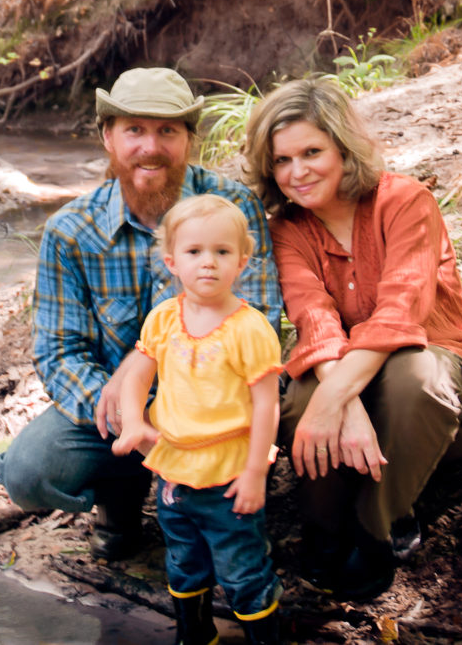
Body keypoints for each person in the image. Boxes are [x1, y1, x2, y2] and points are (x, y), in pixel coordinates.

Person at [241, 77, 462, 602]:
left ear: (344, 147)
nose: (297, 172)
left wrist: (336, 399)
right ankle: (322, 528)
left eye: (312, 152)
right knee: (300, 396)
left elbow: (399, 312)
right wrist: (337, 401)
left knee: (413, 375)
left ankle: (377, 529)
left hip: (447, 388)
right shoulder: (286, 230)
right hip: (356, 381)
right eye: (281, 160)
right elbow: (313, 317)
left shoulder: (405, 200)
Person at [0, 67, 283, 563]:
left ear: (189, 139)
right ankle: (120, 497)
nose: (151, 146)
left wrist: (186, 415)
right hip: (117, 412)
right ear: (108, 137)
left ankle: (227, 513)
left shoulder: (233, 206)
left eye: (167, 131)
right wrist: (129, 415)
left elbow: (259, 321)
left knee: (276, 411)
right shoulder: (70, 230)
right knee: (28, 472)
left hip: (214, 405)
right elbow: (58, 352)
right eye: (135, 130)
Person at [112, 194, 284, 645]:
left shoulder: (250, 329)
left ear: (242, 261)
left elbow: (267, 404)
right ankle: (195, 633)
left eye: (222, 252)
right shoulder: (163, 319)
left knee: (242, 566)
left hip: (230, 474)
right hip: (174, 471)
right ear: (172, 260)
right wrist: (133, 422)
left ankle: (264, 636)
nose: (208, 263)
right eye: (194, 252)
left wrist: (254, 473)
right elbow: (136, 375)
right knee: (184, 560)